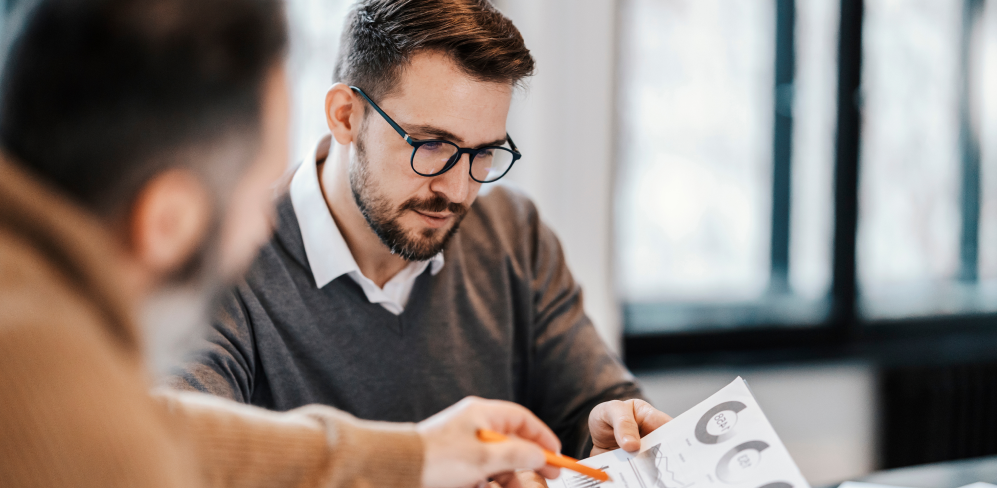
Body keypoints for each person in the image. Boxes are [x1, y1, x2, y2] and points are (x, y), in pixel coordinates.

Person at [0, 0, 565, 486]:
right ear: (166, 221)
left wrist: (415, 457)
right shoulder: (44, 390)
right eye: (253, 196)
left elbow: (170, 430)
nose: (265, 229)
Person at [168, 0, 674, 484]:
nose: (457, 192)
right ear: (346, 116)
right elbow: (180, 459)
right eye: (431, 145)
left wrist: (612, 432)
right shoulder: (224, 258)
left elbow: (590, 409)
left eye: (483, 153)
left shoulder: (512, 232)